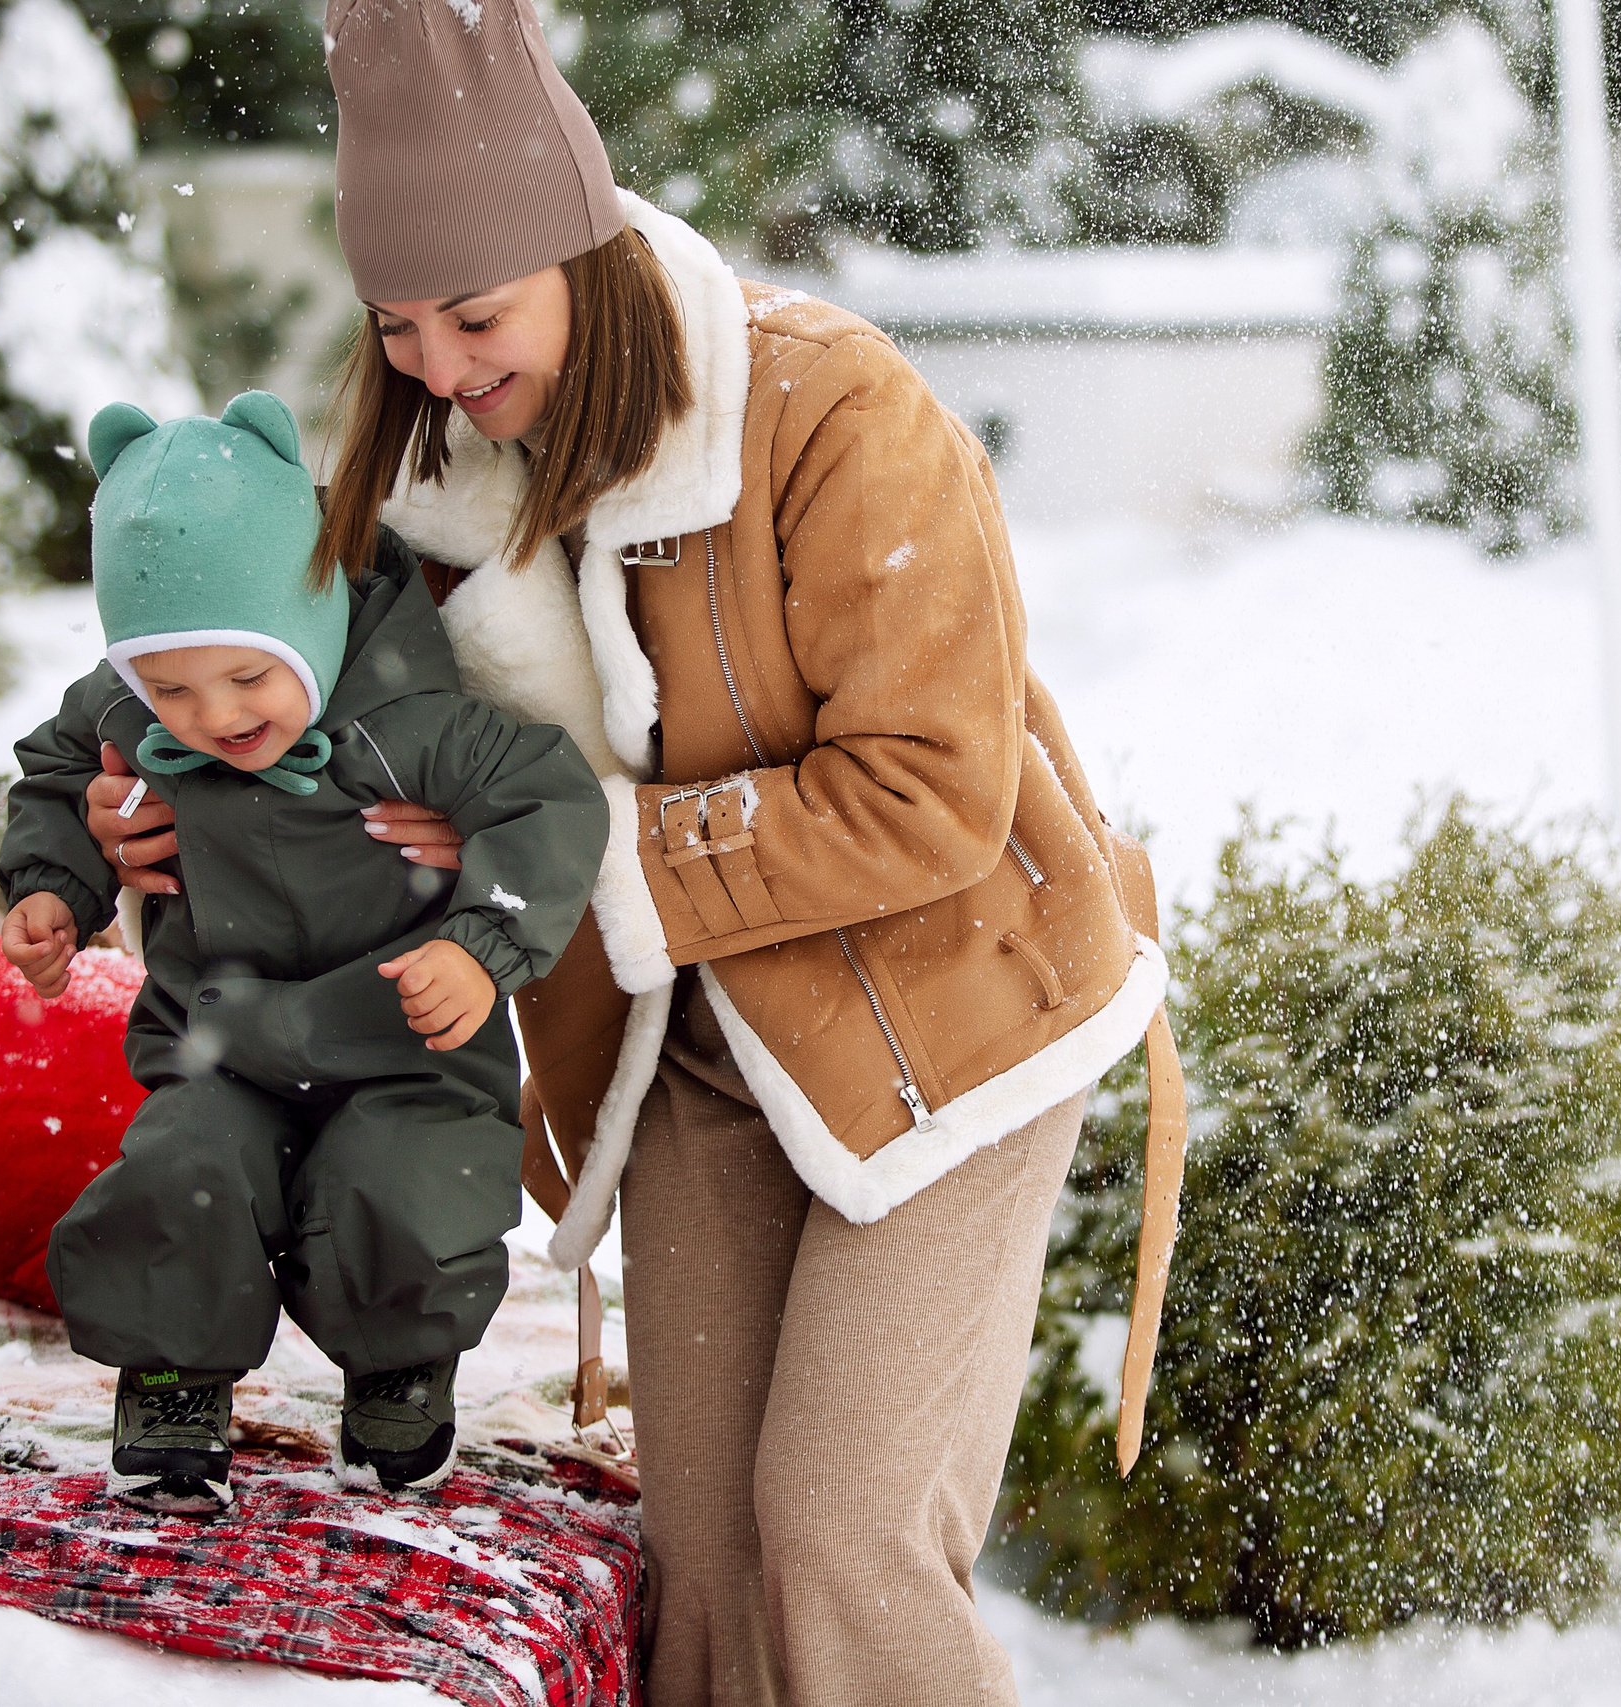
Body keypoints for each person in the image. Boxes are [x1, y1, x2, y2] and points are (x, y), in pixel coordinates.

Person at [81, 2, 1189, 1698]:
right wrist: (142, 799)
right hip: (698, 1045)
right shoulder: (439, 476)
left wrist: (591, 844)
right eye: (396, 326)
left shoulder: (830, 415)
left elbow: (929, 789)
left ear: (581, 253)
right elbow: (287, 703)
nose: (437, 368)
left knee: (838, 1536)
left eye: (473, 314)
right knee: (709, 1573)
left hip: (950, 1022)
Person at [0, 388, 609, 1515]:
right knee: (184, 1172)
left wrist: (481, 947)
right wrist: (53, 883)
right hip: (219, 1038)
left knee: (406, 1190)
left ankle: (397, 1369)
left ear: (314, 609)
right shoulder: (136, 712)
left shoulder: (411, 717)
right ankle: (174, 1379)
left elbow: (551, 803)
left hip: (404, 1039)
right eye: (167, 686)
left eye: (246, 674)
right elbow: (53, 769)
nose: (213, 715)